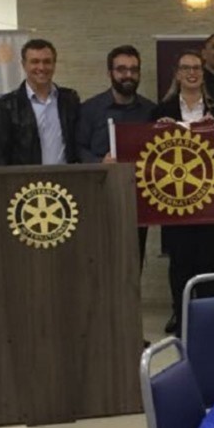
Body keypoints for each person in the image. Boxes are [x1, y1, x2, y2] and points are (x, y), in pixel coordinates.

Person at [151, 50, 214, 334]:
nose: (192, 73)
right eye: (186, 68)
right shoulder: (160, 111)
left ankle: (212, 318)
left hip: (212, 200)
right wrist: (157, 132)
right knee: (181, 260)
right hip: (177, 199)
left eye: (197, 68)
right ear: (177, 74)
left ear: (203, 73)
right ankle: (182, 314)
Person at [76, 45, 155, 264]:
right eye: (121, 69)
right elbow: (78, 147)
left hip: (137, 200)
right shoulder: (90, 109)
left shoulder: (150, 111)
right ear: (109, 73)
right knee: (100, 261)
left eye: (134, 70)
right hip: (99, 196)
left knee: (133, 261)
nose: (128, 75)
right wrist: (99, 162)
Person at [0, 38, 81, 166]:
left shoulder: (70, 100)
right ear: (24, 65)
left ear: (54, 64)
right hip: (26, 178)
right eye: (35, 62)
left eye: (47, 62)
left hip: (65, 176)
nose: (41, 67)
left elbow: (80, 142)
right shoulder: (5, 107)